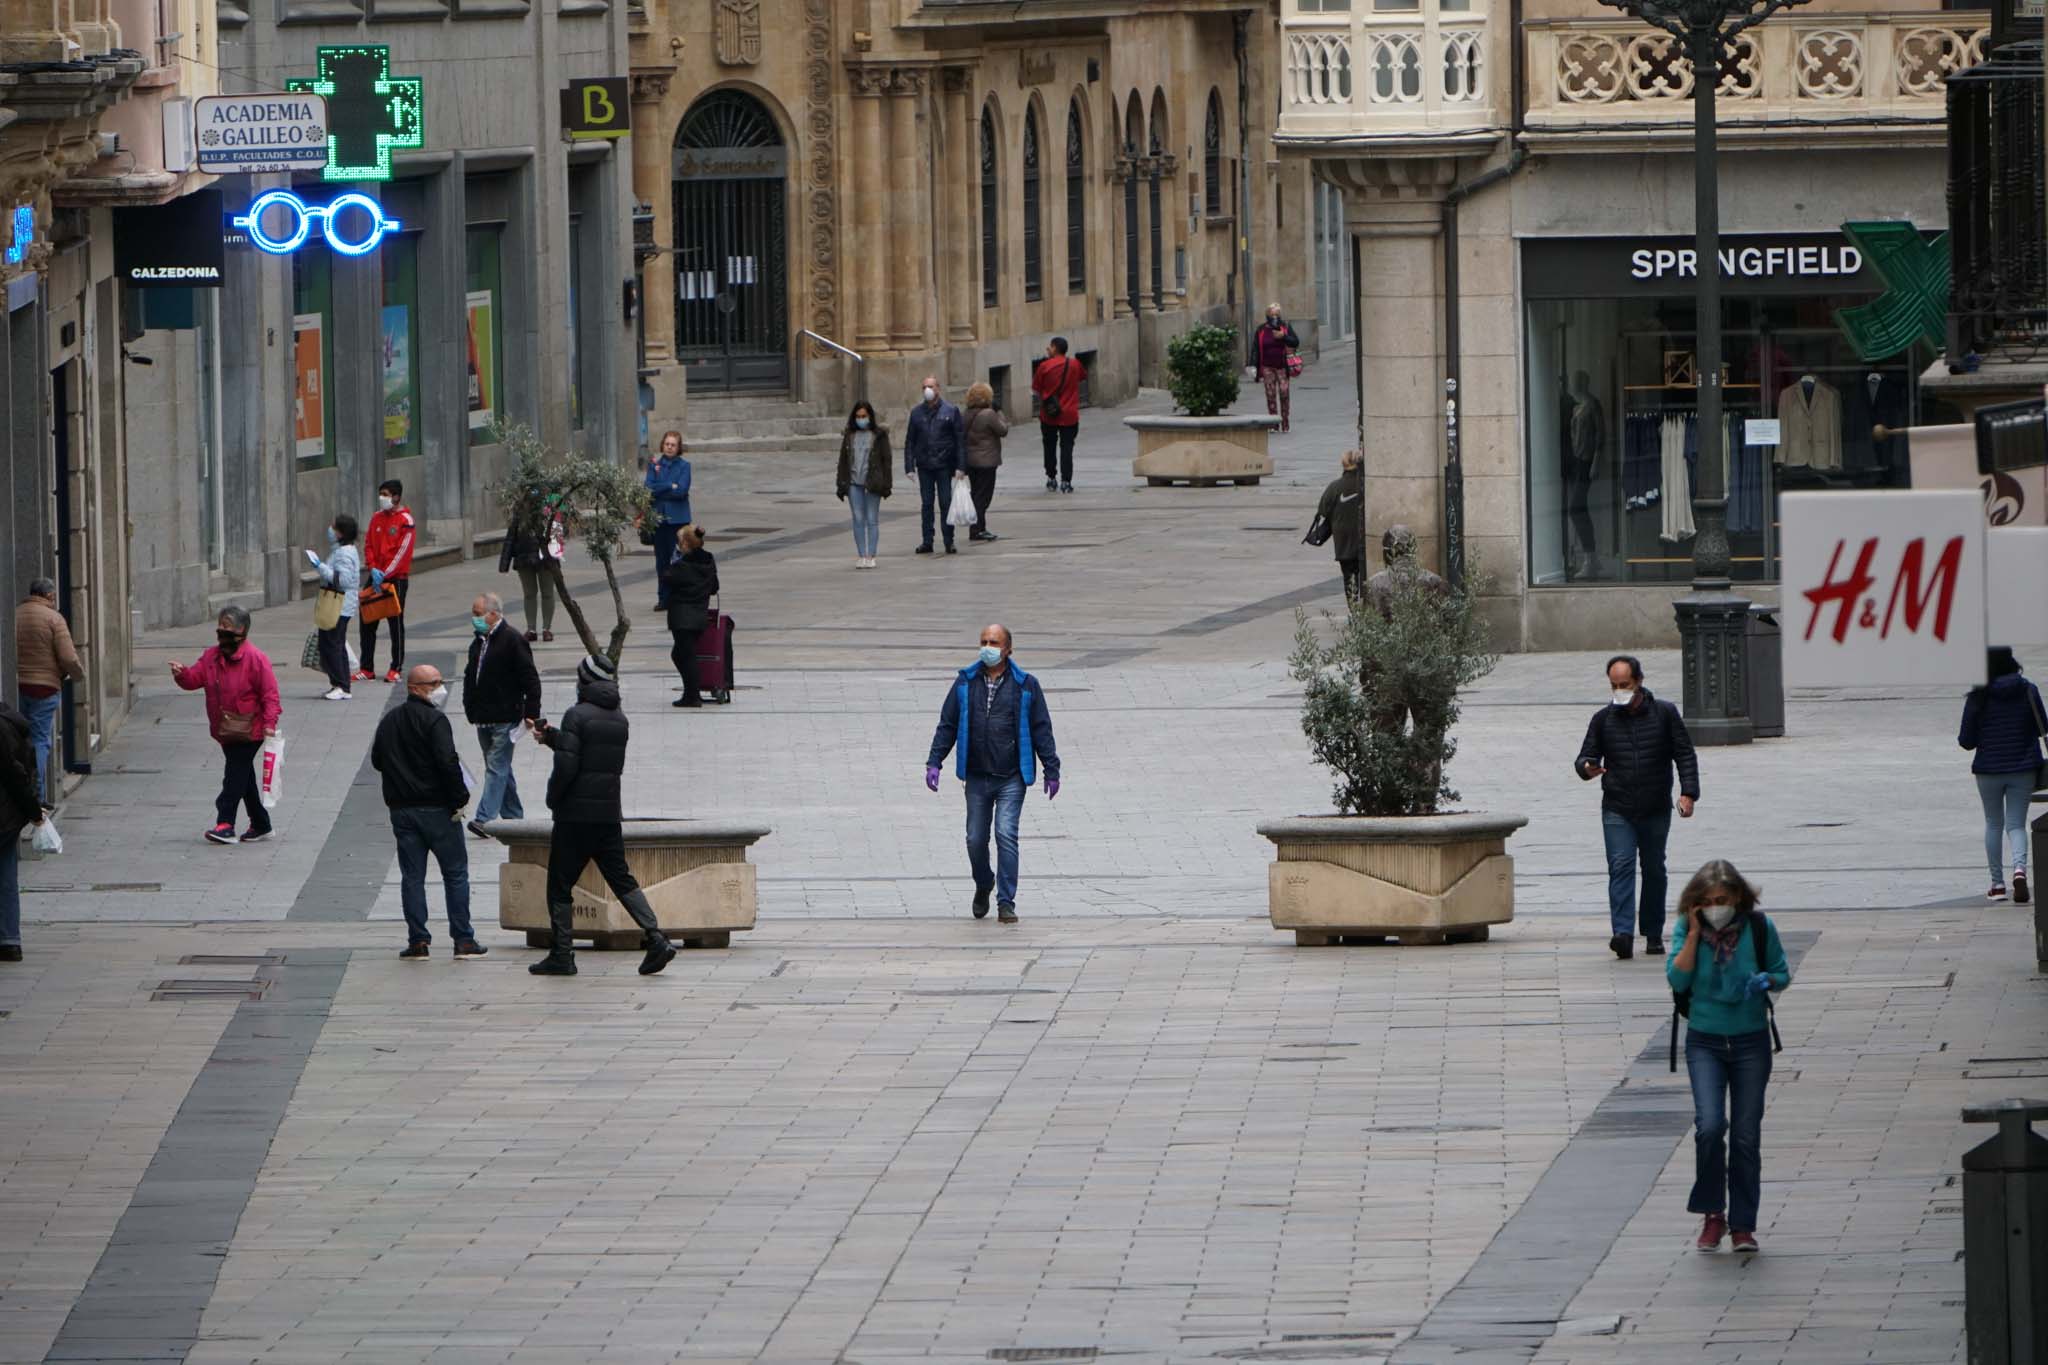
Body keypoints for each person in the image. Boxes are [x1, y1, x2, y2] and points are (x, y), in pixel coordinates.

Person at [527, 653, 677, 977]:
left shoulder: (576, 715)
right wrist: (553, 737)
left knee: (560, 883)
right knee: (621, 878)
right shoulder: (619, 718)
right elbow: (592, 755)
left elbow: (569, 765)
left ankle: (562, 955)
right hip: (608, 813)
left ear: (584, 681)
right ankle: (656, 938)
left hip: (575, 817)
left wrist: (553, 799)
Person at [1667, 860, 1790, 1254]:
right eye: (1708, 901)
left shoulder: (1758, 927)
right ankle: (1712, 1214)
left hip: (1750, 1041)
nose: (1717, 906)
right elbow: (1677, 978)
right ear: (1695, 904)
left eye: (1723, 899)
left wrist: (1766, 980)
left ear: (1738, 897)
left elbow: (1781, 971)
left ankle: (1742, 1224)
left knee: (1745, 1135)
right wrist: (1693, 934)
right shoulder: (1690, 929)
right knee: (1709, 1125)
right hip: (1705, 1040)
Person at [924, 624, 1062, 925]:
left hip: (1011, 775)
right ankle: (984, 882)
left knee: (1005, 833)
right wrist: (934, 761)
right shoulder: (965, 682)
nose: (988, 647)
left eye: (994, 642)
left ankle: (1006, 901)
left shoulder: (1026, 685)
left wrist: (1052, 768)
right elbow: (947, 724)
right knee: (975, 838)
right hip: (976, 775)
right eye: (984, 641)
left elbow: (1041, 729)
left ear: (1008, 649)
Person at [1575, 655, 1700, 960]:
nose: (1620, 690)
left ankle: (1653, 932)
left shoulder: (1665, 714)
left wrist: (1688, 794)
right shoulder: (1603, 719)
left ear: (1639, 682)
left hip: (1656, 805)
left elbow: (1684, 754)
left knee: (1654, 868)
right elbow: (1585, 757)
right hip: (1618, 806)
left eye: (1625, 685)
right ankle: (1623, 934)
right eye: (1614, 685)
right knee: (1621, 866)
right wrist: (1587, 768)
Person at [371, 664, 486, 960]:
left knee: (412, 877)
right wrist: (459, 798)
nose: (439, 687)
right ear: (415, 687)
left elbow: (377, 760)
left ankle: (418, 941)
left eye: (439, 681)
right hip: (437, 810)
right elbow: (448, 762)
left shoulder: (390, 720)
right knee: (456, 873)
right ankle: (463, 939)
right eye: (433, 683)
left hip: (402, 810)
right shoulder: (435, 721)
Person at [169, 605, 283, 846]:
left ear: (242, 631)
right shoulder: (212, 657)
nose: (222, 632)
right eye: (220, 627)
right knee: (244, 777)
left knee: (234, 774)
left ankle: (226, 823)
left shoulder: (256, 659)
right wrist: (181, 673)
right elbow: (194, 679)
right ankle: (261, 825)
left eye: (228, 627)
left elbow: (270, 695)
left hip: (250, 729)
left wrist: (270, 724)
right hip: (225, 729)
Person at [1959, 645, 2046, 903]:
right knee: (2016, 824)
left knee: (1993, 823)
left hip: (1988, 769)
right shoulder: (2028, 690)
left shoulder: (1979, 696)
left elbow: (1966, 740)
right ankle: (2020, 871)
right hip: (2023, 768)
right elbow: (2044, 726)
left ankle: (1997, 885)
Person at [463, 591, 541, 836]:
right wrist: (469, 707)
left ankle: (484, 820)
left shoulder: (512, 640)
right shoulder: (479, 641)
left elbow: (531, 679)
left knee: (496, 766)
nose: (474, 618)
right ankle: (514, 818)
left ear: (493, 614)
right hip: (483, 718)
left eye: (478, 614)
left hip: (506, 717)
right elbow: (470, 677)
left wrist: (532, 712)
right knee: (500, 767)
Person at [14, 577, 84, 803]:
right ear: (50, 596)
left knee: (18, 741)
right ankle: (38, 796)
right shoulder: (54, 618)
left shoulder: (15, 614)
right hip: (45, 688)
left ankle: (19, 794)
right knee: (40, 741)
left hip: (18, 686)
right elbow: (68, 657)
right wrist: (77, 675)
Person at [0, 699, 45, 962]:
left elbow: (13, 773)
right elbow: (19, 774)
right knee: (6, 874)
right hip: (7, 815)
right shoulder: (10, 723)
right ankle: (8, 939)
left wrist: (34, 811)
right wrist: (32, 810)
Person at [358, 479, 416, 683]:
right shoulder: (376, 518)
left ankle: (396, 667)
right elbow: (369, 545)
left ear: (396, 496)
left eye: (385, 494)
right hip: (375, 575)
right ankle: (366, 668)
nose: (381, 498)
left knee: (395, 622)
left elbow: (402, 553)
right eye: (380, 494)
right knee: (367, 619)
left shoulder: (406, 520)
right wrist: (373, 568)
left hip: (395, 579)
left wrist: (385, 573)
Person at [905, 376, 964, 555]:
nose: (927, 390)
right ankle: (927, 541)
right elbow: (910, 441)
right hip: (925, 465)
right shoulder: (916, 413)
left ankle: (949, 540)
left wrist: (961, 466)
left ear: (938, 388)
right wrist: (909, 466)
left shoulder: (951, 411)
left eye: (930, 386)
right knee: (927, 504)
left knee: (946, 502)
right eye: (924, 387)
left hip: (944, 465)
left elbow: (960, 440)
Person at [307, 513, 361, 700]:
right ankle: (341, 684)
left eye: (334, 527)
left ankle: (340, 685)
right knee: (336, 644)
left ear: (340, 533)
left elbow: (343, 580)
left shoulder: (344, 553)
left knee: (331, 644)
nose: (330, 529)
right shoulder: (343, 550)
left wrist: (319, 566)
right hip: (341, 604)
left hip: (338, 604)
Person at [665, 524, 719, 709]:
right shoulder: (709, 560)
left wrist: (674, 562)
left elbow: (667, 579)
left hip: (682, 617)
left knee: (686, 657)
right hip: (699, 616)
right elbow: (714, 588)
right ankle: (690, 692)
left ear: (686, 544)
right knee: (681, 655)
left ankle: (692, 695)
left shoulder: (682, 565)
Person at [835, 400, 893, 569]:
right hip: (854, 482)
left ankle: (871, 555)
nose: (861, 419)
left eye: (864, 416)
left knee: (872, 519)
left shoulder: (879, 435)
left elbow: (886, 461)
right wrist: (841, 483)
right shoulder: (849, 435)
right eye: (858, 416)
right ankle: (861, 555)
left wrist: (886, 484)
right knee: (858, 519)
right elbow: (843, 461)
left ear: (870, 416)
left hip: (873, 482)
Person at [498, 502, 560, 644]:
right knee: (529, 593)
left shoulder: (550, 507)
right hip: (524, 557)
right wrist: (504, 563)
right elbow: (511, 535)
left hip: (546, 557)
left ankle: (546, 629)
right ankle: (531, 629)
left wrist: (556, 554)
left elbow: (558, 533)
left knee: (547, 593)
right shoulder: (520, 510)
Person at [646, 431, 693, 608]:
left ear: (678, 447)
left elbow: (681, 490)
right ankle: (663, 597)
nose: (669, 447)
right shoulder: (655, 465)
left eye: (673, 445)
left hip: (678, 519)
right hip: (659, 519)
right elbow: (648, 489)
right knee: (661, 560)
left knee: (679, 559)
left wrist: (662, 490)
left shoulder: (684, 466)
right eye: (667, 444)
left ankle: (679, 596)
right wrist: (668, 485)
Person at [1032, 337, 1085, 493]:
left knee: (1049, 446)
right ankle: (1066, 481)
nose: (1048, 349)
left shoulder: (1044, 366)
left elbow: (1036, 389)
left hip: (1049, 413)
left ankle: (1051, 477)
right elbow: (1082, 377)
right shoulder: (1075, 364)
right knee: (1067, 447)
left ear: (1054, 348)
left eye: (1050, 346)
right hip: (1069, 413)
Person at [1313, 451, 1365, 599]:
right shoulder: (1366, 484)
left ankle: (1354, 610)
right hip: (1364, 541)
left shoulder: (1334, 487)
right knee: (1367, 577)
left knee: (1349, 579)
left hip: (1344, 543)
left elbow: (1323, 511)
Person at [962, 382, 1009, 544]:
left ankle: (979, 527)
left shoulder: (966, 413)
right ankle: (977, 529)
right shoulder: (989, 414)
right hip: (987, 461)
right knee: (983, 497)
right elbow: (1003, 430)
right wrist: (1000, 411)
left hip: (971, 461)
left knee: (976, 493)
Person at [1255, 303, 1301, 434]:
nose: (1274, 317)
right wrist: (1253, 365)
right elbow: (1255, 349)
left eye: (1277, 315)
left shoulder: (1285, 327)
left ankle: (1285, 422)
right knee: (1270, 395)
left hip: (1282, 367)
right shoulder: (1261, 330)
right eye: (1272, 315)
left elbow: (1296, 342)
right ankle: (1273, 423)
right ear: (1267, 316)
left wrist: (1284, 336)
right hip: (1267, 366)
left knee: (1284, 393)